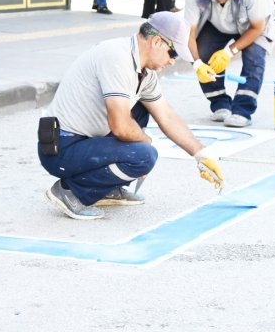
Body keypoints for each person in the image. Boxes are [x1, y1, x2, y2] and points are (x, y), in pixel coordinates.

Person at [38, 12, 226, 220]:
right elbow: (120, 126)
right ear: (156, 41)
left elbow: (166, 116)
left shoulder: (145, 73)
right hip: (62, 148)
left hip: (84, 142)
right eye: (173, 54)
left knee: (142, 111)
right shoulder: (116, 58)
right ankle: (70, 191)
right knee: (143, 156)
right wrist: (146, 143)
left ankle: (107, 187)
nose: (173, 62)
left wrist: (201, 154)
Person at [184, 0, 273, 128]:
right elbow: (189, 34)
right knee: (203, 54)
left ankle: (242, 110)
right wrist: (196, 64)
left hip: (251, 26)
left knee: (254, 59)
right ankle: (220, 103)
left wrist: (228, 52)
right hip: (216, 23)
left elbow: (257, 27)